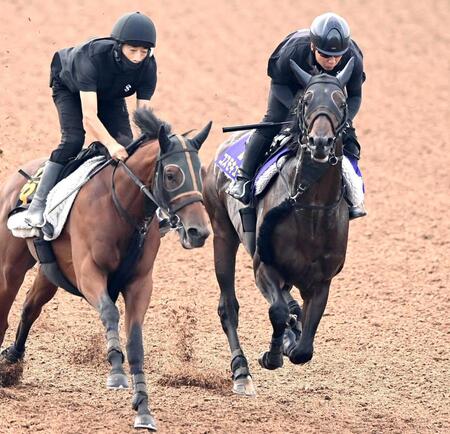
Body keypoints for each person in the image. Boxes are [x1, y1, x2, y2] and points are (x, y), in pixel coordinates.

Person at [227, 12, 367, 219]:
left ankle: (353, 197)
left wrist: (344, 122)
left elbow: (354, 96)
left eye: (337, 56)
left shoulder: (353, 57)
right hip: (291, 89)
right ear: (312, 46)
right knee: (271, 124)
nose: (332, 61)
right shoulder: (293, 51)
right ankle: (243, 179)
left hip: (330, 98)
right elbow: (278, 84)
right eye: (325, 55)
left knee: (349, 141)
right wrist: (297, 110)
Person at [25, 11, 157, 228]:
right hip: (70, 87)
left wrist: (149, 143)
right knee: (74, 140)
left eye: (143, 52)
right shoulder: (91, 58)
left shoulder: (148, 66)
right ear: (118, 46)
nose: (137, 57)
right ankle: (38, 204)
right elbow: (89, 117)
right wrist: (110, 144)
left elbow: (143, 117)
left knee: (127, 146)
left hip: (109, 95)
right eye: (132, 50)